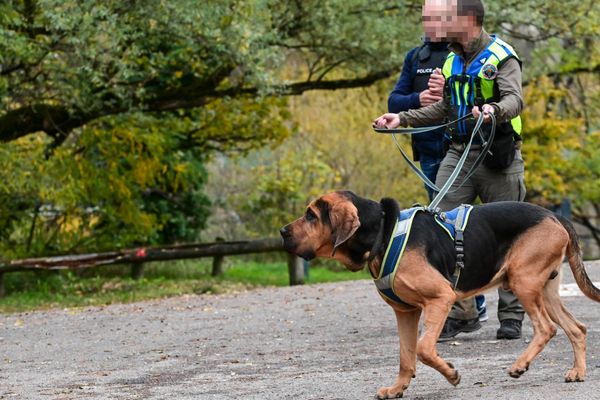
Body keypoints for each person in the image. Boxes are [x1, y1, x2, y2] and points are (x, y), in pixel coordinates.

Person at [374, 0, 525, 341]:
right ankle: (461, 312)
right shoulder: (453, 58)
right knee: (440, 225)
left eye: (449, 18)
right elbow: (445, 107)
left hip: (498, 155)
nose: (441, 24)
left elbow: (515, 100)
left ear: (468, 20)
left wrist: (494, 110)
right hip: (458, 154)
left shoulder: (502, 55)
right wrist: (403, 119)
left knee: (510, 232)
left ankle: (512, 315)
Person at [388, 39, 449, 201]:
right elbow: (393, 103)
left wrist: (448, 90)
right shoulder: (415, 56)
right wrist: (417, 99)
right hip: (427, 153)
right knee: (439, 211)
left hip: (460, 150)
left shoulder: (462, 55)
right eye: (427, 19)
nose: (431, 24)